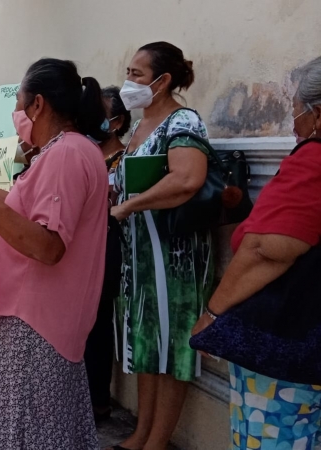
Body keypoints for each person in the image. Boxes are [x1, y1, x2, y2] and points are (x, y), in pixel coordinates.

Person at [0, 58, 108, 448]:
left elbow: (48, 246)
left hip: (38, 319)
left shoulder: (65, 154)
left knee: (34, 428)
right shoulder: (68, 150)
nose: (15, 113)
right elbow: (30, 214)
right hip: (41, 316)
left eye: (18, 101)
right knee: (47, 424)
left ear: (38, 105)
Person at [191, 56, 321, 450]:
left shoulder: (314, 159)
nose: (294, 122)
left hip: (290, 346)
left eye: (297, 110)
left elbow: (267, 248)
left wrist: (211, 315)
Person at [110, 42, 211, 450]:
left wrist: (130, 206)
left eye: (136, 74)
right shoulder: (138, 126)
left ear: (163, 80)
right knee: (147, 346)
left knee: (173, 349)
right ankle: (142, 433)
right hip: (139, 259)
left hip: (174, 258)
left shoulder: (182, 121)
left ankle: (158, 441)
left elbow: (187, 179)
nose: (128, 81)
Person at [83, 86, 132, 423]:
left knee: (98, 328)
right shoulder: (82, 155)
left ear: (116, 122)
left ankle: (98, 400)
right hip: (77, 253)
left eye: (100, 116)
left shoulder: (126, 161)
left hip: (107, 253)